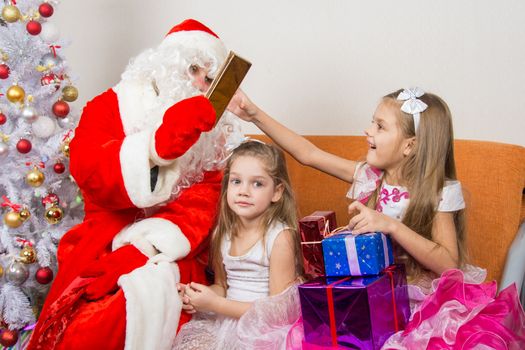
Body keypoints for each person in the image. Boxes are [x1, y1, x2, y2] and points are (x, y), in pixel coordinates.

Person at [229, 88, 525, 348]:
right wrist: (254, 114)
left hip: (420, 305)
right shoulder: (368, 178)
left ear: (409, 145)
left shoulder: (438, 192)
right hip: (368, 298)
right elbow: (308, 153)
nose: (367, 131)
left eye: (380, 126)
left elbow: (449, 263)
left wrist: (391, 225)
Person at [28, 19, 244, 350]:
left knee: (128, 306)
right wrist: (154, 149)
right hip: (102, 236)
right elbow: (89, 170)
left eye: (210, 77)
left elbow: (206, 201)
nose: (201, 81)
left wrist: (144, 248)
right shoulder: (109, 105)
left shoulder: (214, 134)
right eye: (193, 69)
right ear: (167, 65)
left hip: (172, 246)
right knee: (83, 325)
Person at [172, 140, 303, 349]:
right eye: (236, 181)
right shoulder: (222, 234)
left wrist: (216, 304)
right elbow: (222, 287)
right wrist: (197, 297)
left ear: (277, 192)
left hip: (263, 332)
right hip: (224, 323)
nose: (244, 191)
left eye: (257, 183)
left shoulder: (279, 237)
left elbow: (277, 312)